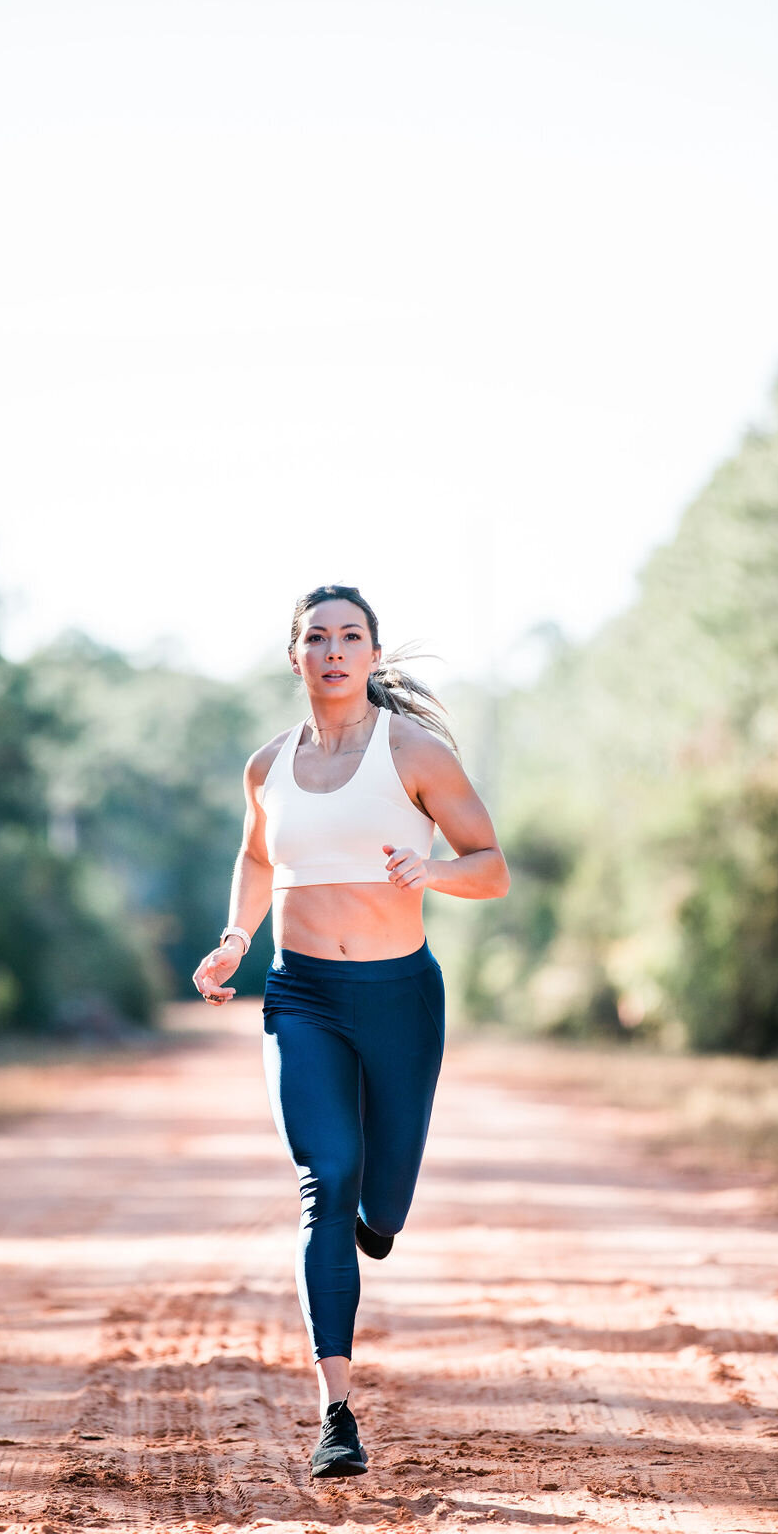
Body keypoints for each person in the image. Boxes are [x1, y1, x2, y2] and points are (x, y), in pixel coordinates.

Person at [191, 583, 509, 1478]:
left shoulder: (414, 752)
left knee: (384, 1200)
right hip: (303, 999)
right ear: (294, 655)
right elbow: (258, 856)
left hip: (401, 997)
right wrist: (234, 940)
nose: (334, 651)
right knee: (324, 1179)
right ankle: (336, 1411)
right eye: (318, 638)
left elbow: (493, 867)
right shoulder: (266, 766)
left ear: (372, 654)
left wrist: (433, 869)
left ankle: (380, 1216)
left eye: (351, 637)